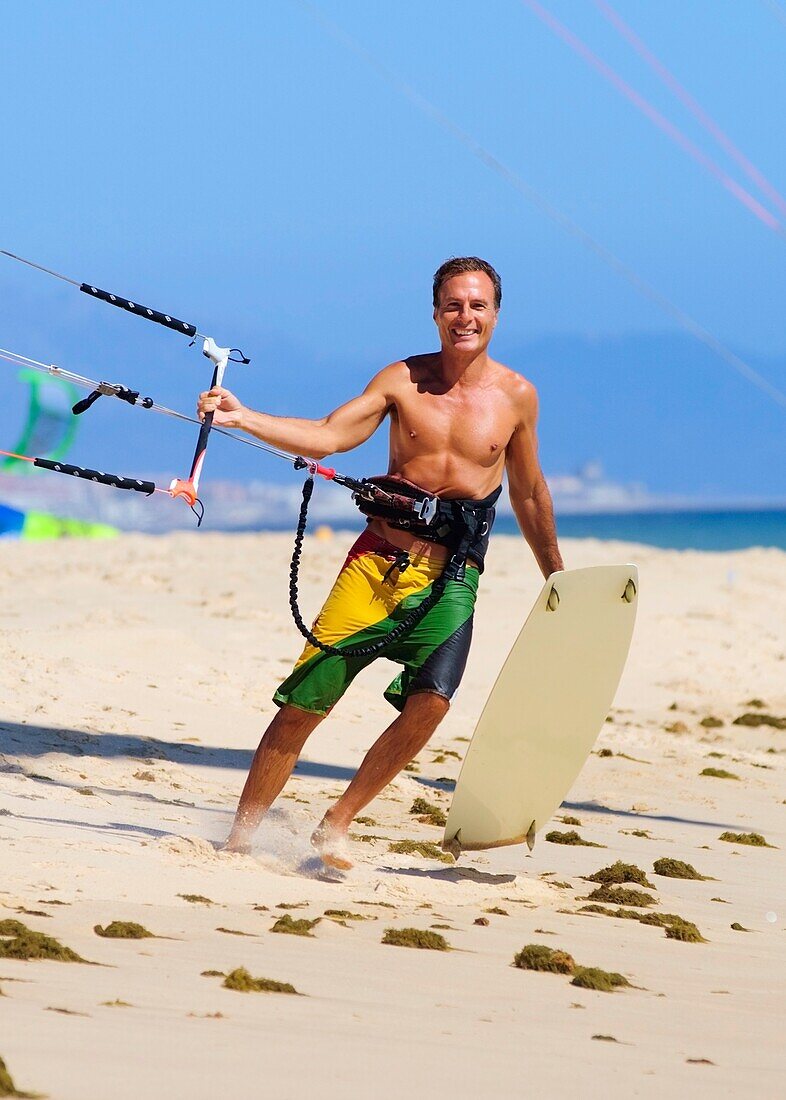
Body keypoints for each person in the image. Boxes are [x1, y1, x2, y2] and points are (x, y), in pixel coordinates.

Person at [197, 257, 563, 869]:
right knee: (304, 706)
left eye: (477, 305)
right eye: (453, 305)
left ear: (496, 313)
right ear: (435, 312)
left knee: (432, 702)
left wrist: (555, 572)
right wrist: (244, 416)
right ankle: (241, 838)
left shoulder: (517, 397)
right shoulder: (402, 380)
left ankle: (338, 821)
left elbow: (527, 492)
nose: (464, 317)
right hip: (377, 567)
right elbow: (331, 434)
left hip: (451, 579)